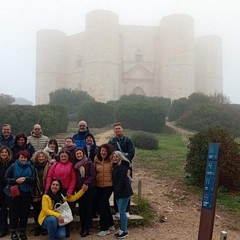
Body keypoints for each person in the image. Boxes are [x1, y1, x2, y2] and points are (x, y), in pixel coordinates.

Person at [4, 150, 36, 240]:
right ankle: (13, 232)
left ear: (27, 158)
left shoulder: (31, 167)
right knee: (14, 212)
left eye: (25, 157)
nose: (23, 159)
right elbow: (6, 179)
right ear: (18, 157)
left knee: (24, 213)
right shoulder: (13, 166)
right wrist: (15, 181)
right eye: (21, 157)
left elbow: (34, 180)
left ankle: (22, 231)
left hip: (26, 193)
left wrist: (26, 179)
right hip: (15, 193)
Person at [45, 150, 76, 238]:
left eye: (65, 156)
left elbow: (73, 179)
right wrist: (47, 188)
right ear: (59, 157)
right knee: (58, 210)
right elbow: (49, 176)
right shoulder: (55, 165)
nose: (63, 158)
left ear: (68, 157)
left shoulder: (71, 165)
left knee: (68, 210)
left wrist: (70, 191)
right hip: (57, 190)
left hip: (67, 191)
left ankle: (67, 229)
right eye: (62, 156)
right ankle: (56, 227)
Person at [108, 122, 135, 217]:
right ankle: (118, 210)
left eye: (119, 128)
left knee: (126, 186)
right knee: (117, 187)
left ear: (122, 129)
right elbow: (110, 154)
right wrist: (123, 154)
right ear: (114, 130)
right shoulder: (111, 142)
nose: (118, 130)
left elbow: (131, 153)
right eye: (116, 128)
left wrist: (122, 158)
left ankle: (126, 209)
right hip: (115, 168)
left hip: (126, 166)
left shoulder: (128, 140)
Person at [73, 148, 96, 237]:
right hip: (79, 190)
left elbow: (93, 175)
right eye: (77, 154)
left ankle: (87, 228)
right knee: (81, 209)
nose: (79, 155)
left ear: (83, 154)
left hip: (89, 189)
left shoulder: (89, 163)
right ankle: (83, 226)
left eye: (80, 153)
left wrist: (86, 183)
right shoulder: (75, 165)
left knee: (88, 208)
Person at [94, 144, 114, 237]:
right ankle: (110, 224)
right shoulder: (96, 159)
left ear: (108, 152)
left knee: (102, 205)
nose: (103, 152)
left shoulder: (111, 160)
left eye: (105, 151)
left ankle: (104, 228)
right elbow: (93, 171)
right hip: (98, 186)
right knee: (105, 205)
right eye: (102, 150)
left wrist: (128, 171)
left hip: (108, 186)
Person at [112, 151, 133, 239]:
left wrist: (117, 191)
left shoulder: (123, 167)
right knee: (121, 212)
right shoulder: (116, 166)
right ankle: (122, 229)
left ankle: (124, 231)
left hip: (124, 193)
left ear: (120, 157)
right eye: (113, 157)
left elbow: (122, 181)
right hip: (119, 192)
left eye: (116, 156)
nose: (114, 158)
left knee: (122, 212)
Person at [31, 150, 52, 236]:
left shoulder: (50, 166)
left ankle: (44, 227)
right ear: (36, 158)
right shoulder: (32, 166)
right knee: (36, 211)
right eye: (39, 156)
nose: (41, 158)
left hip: (46, 191)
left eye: (43, 156)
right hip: (35, 191)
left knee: (45, 210)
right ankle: (37, 227)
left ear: (46, 157)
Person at [0, 146, 14, 237]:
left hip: (10, 190)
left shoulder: (12, 163)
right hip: (0, 190)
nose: (4, 154)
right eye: (2, 152)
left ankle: (13, 229)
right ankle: (3, 229)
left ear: (8, 154)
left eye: (6, 152)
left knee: (12, 210)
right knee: (2, 210)